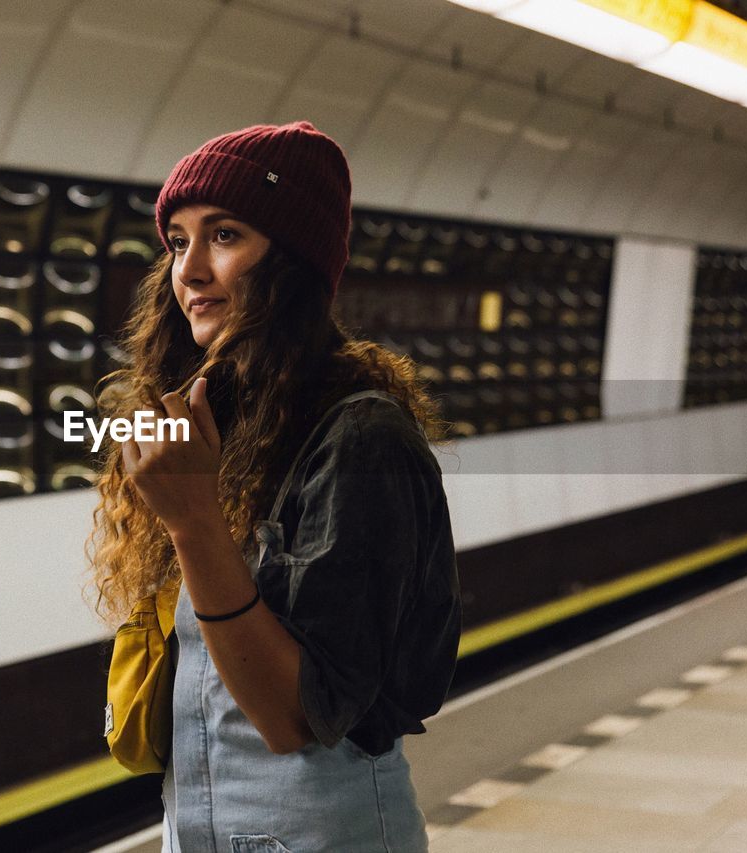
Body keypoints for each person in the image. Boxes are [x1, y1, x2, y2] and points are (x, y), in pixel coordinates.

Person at [86, 120, 462, 853]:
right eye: (177, 242)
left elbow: (295, 715)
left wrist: (194, 524)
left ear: (293, 262)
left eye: (224, 236)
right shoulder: (221, 424)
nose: (190, 270)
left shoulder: (361, 440)